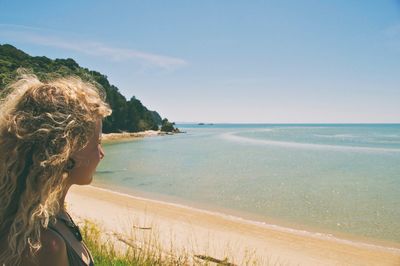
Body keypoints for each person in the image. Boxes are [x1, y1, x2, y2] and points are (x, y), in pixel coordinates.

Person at [0, 74, 111, 265]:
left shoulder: (50, 214)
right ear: (66, 149)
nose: (102, 154)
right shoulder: (45, 246)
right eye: (97, 143)